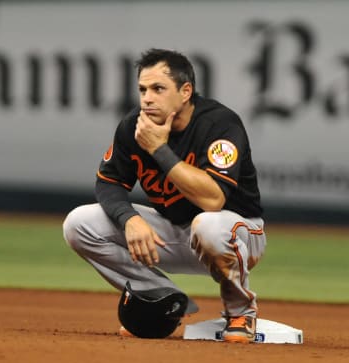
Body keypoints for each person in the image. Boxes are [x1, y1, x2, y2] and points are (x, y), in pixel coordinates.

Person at [62, 48, 266, 344]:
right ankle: (162, 300)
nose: (147, 98)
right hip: (175, 234)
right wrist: (129, 219)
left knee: (207, 224)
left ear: (185, 92)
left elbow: (213, 200)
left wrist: (160, 150)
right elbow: (108, 183)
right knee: (78, 224)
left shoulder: (220, 124)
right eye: (143, 89)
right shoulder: (134, 126)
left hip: (239, 234)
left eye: (158, 89)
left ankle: (240, 313)